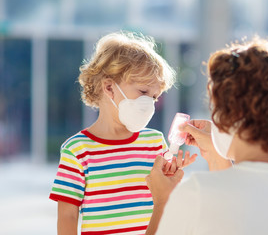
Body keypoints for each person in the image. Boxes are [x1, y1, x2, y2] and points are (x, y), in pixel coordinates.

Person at [145, 37, 268, 235]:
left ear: (233, 113)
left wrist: (162, 201)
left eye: (215, 107)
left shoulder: (197, 194)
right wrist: (216, 154)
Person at [49, 31, 196, 235]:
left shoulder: (154, 142)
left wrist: (170, 175)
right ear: (109, 87)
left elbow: (163, 202)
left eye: (154, 97)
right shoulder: (78, 150)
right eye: (143, 92)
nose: (150, 104)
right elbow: (67, 215)